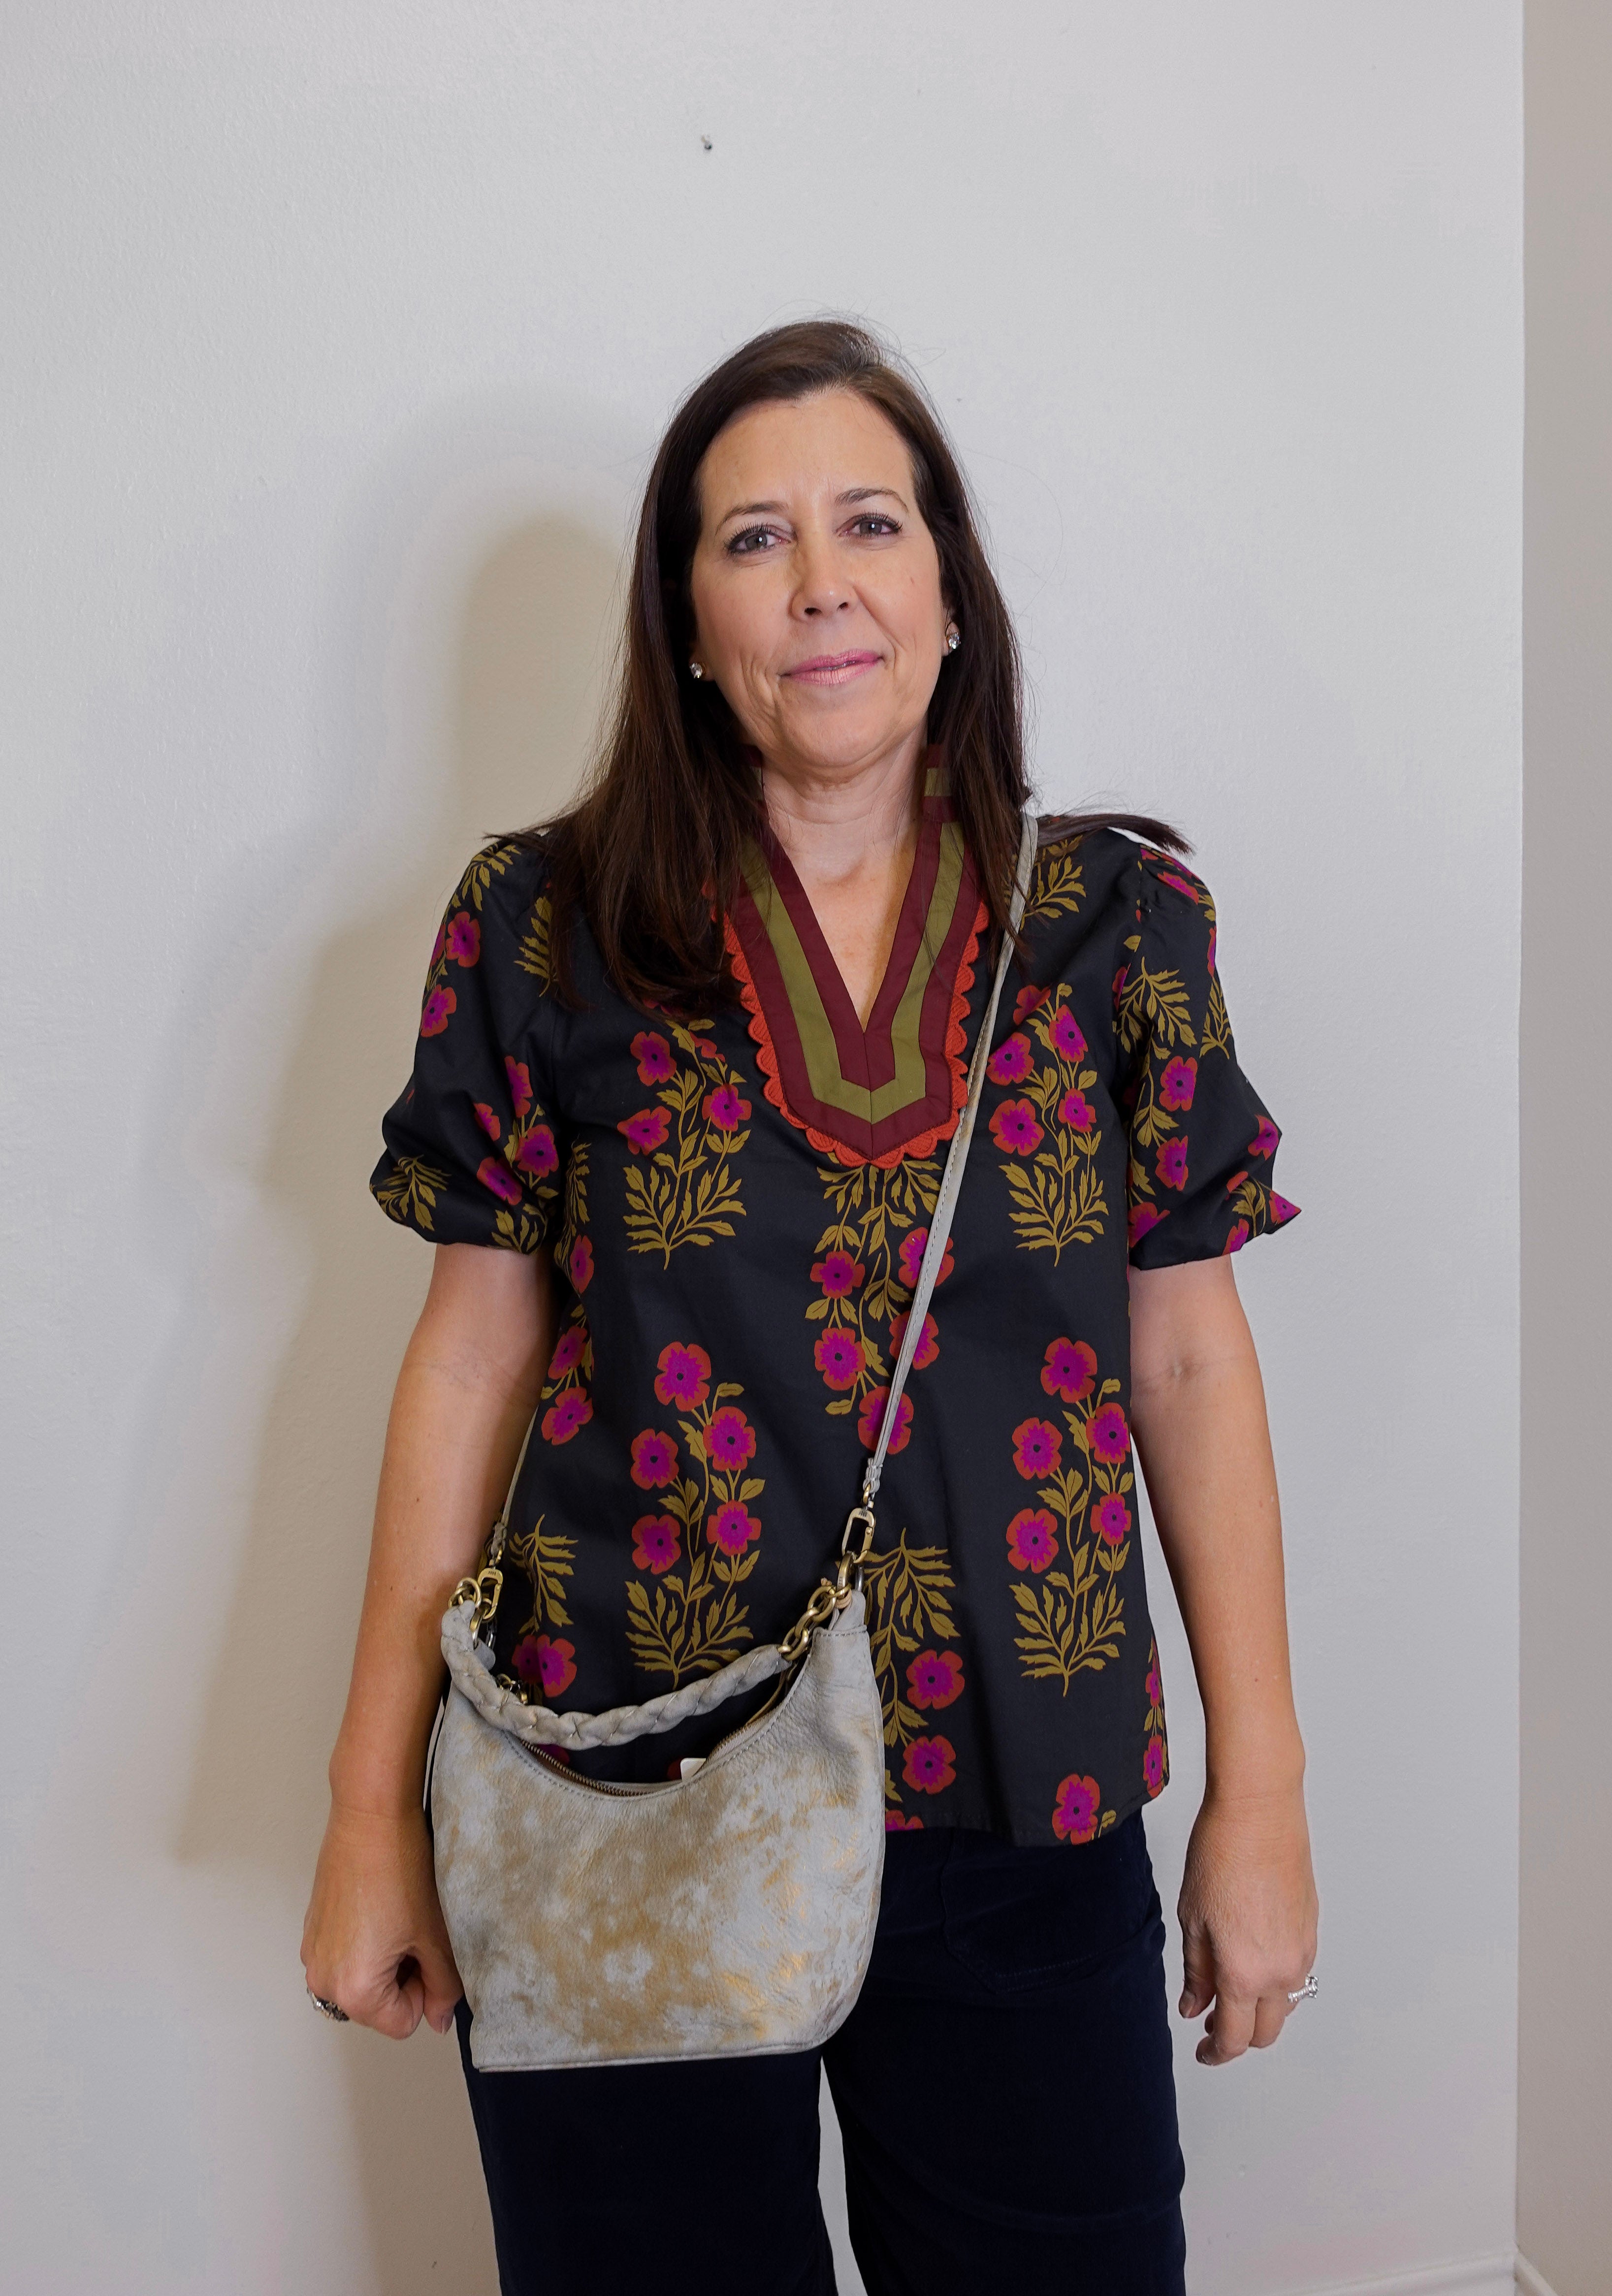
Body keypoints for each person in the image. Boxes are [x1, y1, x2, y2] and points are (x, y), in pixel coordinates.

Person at [301, 319, 1318, 2296]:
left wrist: (1259, 1792)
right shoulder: (541, 924)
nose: (821, 581)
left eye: (870, 521)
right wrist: (367, 1812)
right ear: (688, 626)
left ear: (950, 586)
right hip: (625, 1786)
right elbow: (470, 1357)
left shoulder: (1118, 927)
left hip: (1024, 1797)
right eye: (752, 538)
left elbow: (1186, 1357)